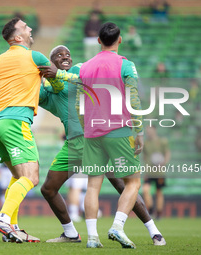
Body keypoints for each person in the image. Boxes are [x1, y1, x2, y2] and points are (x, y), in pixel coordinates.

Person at [39, 46, 165, 246]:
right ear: (50, 62)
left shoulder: (80, 70)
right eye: (59, 55)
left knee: (123, 185)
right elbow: (35, 94)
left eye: (68, 54)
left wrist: (59, 74)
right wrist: (40, 76)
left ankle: (154, 231)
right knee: (48, 188)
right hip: (75, 143)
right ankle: (71, 233)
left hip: (95, 138)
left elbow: (90, 80)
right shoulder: (48, 92)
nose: (65, 57)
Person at [0, 17, 65, 243]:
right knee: (31, 176)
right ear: (18, 37)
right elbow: (58, 85)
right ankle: (3, 218)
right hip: (15, 122)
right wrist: (54, 79)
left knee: (17, 176)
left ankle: (12, 228)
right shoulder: (36, 57)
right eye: (25, 27)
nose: (30, 28)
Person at [79, 22, 143, 249]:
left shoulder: (84, 67)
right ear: (120, 39)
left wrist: (85, 127)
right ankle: (117, 226)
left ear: (98, 41)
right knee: (133, 181)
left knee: (93, 185)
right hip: (118, 130)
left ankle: (92, 238)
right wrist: (140, 130)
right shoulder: (126, 65)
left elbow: (81, 105)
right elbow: (133, 99)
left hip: (92, 132)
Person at [142, 125, 171, 219]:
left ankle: (158, 213)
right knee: (145, 190)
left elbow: (167, 153)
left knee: (159, 192)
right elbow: (145, 156)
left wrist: (163, 163)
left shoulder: (162, 142)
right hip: (149, 172)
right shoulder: (146, 143)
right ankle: (150, 211)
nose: (148, 132)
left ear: (154, 130)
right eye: (147, 130)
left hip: (159, 172)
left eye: (149, 130)